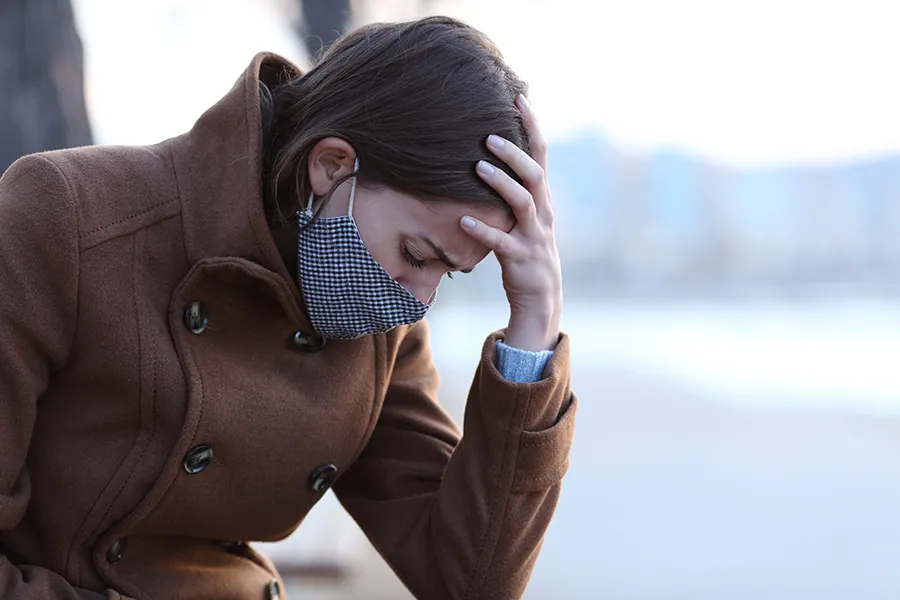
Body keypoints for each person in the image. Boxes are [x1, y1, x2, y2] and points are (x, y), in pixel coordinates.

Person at [0, 15, 576, 600]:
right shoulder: (66, 217)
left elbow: (469, 581)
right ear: (331, 166)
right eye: (416, 253)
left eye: (448, 274)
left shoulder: (374, 320)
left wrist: (533, 328)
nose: (415, 301)